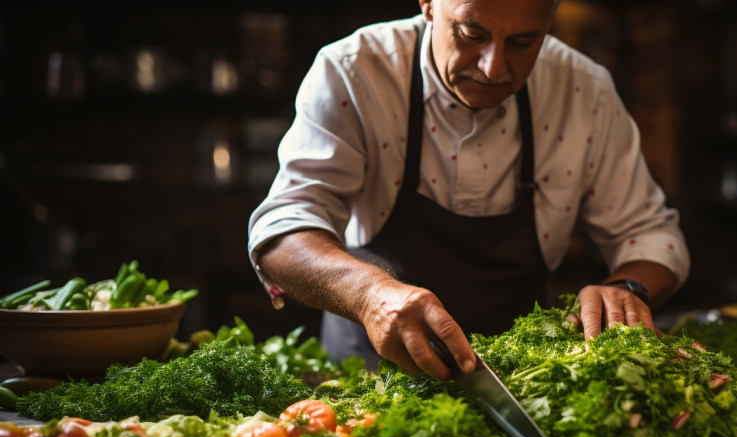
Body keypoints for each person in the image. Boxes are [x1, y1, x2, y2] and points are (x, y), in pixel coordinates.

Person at [248, 0, 690, 380]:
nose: (493, 67)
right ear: (428, 4)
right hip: (369, 380)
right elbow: (284, 233)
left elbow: (652, 235)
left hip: (524, 383)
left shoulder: (583, 92)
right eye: (471, 33)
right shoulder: (355, 71)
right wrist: (369, 295)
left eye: (522, 43)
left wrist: (628, 287)